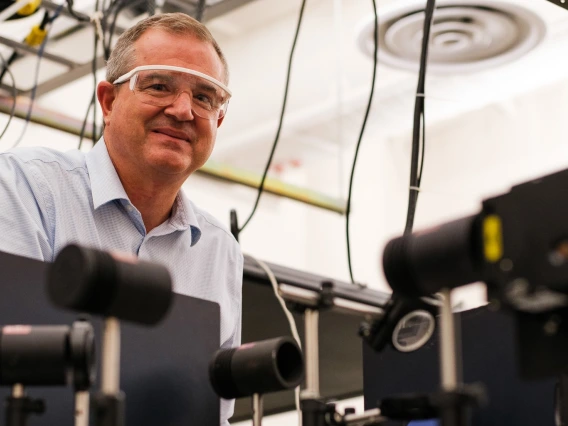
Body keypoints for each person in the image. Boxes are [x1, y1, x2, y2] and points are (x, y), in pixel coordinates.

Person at [0, 12, 242, 425]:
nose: (183, 110)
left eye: (204, 97)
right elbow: (14, 363)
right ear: (109, 101)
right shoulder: (25, 188)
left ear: (218, 119)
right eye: (159, 85)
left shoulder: (220, 250)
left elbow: (211, 409)